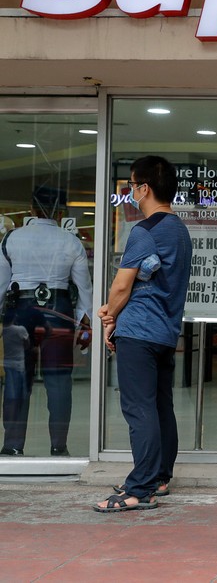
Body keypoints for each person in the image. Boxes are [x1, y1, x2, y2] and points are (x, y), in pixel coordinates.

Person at [93, 156, 192, 513]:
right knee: (160, 406)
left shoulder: (145, 230)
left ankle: (140, 488)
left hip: (138, 331)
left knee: (139, 409)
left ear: (144, 188)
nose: (131, 192)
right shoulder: (180, 231)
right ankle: (160, 477)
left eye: (133, 186)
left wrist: (108, 314)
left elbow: (122, 285)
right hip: (165, 331)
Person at [0, 185, 92, 457]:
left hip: (19, 311)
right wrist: (84, 328)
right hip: (59, 310)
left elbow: (2, 284)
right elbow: (85, 290)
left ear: (31, 209)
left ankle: (12, 445)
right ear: (61, 210)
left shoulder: (12, 238)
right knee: (59, 381)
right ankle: (58, 446)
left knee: (17, 379)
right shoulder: (71, 242)